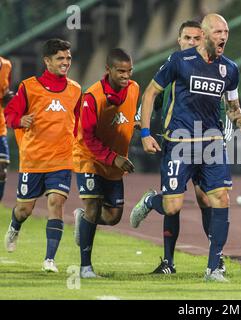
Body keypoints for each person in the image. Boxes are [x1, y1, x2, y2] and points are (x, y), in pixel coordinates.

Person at [130, 13, 241, 282]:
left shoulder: (230, 69)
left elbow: (232, 107)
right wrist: (146, 133)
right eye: (218, 32)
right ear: (206, 34)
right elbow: (150, 93)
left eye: (226, 32)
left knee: (220, 198)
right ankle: (152, 200)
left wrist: (240, 119)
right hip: (180, 144)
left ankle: (214, 266)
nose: (223, 37)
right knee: (172, 206)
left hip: (211, 143)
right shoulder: (179, 61)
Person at [3, 39, 82, 272]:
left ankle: (49, 259)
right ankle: (15, 226)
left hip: (62, 159)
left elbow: (80, 124)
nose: (65, 62)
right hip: (33, 160)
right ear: (47, 61)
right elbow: (10, 113)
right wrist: (20, 120)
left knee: (56, 203)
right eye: (60, 58)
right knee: (24, 209)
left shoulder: (76, 89)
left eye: (68, 58)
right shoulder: (29, 87)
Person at [72, 48, 138, 278]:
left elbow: (127, 115)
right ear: (108, 70)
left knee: (113, 216)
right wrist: (114, 158)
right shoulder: (92, 97)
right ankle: (85, 268)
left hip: (114, 164)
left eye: (129, 71)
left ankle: (83, 220)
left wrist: (135, 123)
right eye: (120, 71)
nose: (126, 76)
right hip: (88, 158)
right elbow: (88, 138)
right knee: (92, 207)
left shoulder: (134, 89)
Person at [0, 56, 13, 201]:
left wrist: (8, 98)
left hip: (0, 127)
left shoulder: (6, 65)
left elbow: (4, 94)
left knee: (2, 170)